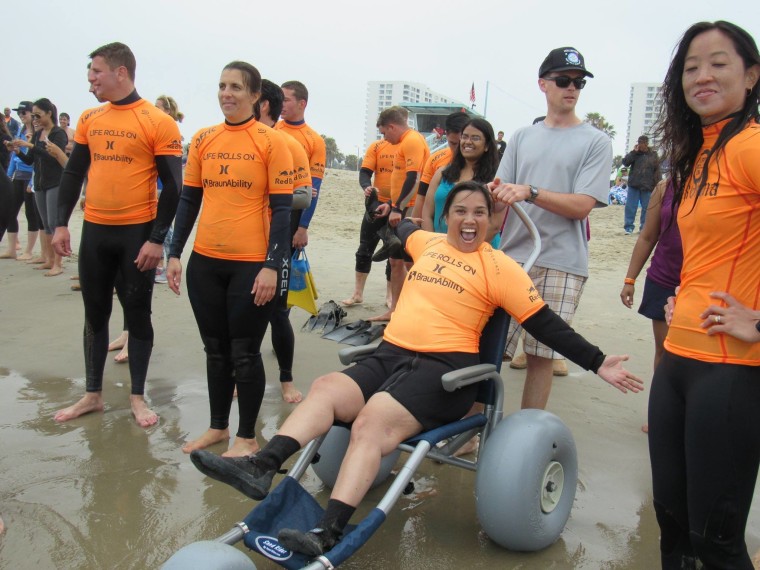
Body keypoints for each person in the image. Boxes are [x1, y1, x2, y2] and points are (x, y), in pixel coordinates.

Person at [189, 181, 643, 557]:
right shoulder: (426, 243)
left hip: (448, 371)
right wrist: (388, 212)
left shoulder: (501, 268)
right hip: (391, 355)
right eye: (460, 211)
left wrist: (599, 362)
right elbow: (403, 226)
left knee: (372, 420)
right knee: (327, 387)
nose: (469, 220)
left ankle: (327, 531)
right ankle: (262, 466)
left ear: (493, 221)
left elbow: (546, 325)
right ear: (447, 218)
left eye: (480, 213)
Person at [647, 20, 760, 568]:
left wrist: (759, 323)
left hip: (731, 371)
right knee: (670, 523)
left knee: (715, 542)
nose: (702, 76)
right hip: (676, 362)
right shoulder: (696, 156)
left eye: (719, 62)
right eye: (691, 67)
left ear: (753, 74)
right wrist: (682, 298)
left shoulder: (751, 146)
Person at [51, 42, 183, 427]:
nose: (90, 78)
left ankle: (138, 397)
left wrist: (157, 239)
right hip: (95, 231)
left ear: (120, 72)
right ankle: (92, 394)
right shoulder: (91, 118)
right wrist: (61, 223)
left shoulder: (157, 121)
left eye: (96, 71)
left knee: (137, 314)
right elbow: (74, 172)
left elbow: (174, 186)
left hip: (136, 233)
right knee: (95, 313)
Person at [166, 62, 293, 456]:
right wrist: (174, 252)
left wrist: (272, 265)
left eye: (236, 87)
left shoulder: (273, 143)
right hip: (205, 263)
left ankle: (247, 437)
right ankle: (218, 427)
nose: (227, 93)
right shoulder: (204, 139)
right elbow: (188, 201)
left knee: (245, 352)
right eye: (222, 86)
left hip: (252, 265)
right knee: (215, 350)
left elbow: (283, 212)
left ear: (256, 96)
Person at [490, 47, 612, 410]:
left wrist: (531, 191)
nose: (571, 88)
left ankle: (527, 436)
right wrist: (489, 194)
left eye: (578, 82)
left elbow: (582, 206)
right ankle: (470, 432)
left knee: (542, 355)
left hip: (563, 260)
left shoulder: (596, 141)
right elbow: (500, 195)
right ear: (543, 84)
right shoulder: (522, 136)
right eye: (563, 80)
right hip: (511, 257)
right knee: (488, 347)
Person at [255, 79, 313, 404]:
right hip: (241, 243)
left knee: (278, 313)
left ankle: (286, 380)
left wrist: (264, 195)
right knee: (243, 314)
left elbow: (303, 196)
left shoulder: (288, 144)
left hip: (276, 242)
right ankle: (241, 375)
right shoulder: (236, 142)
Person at [271, 80, 325, 396]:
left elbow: (313, 189)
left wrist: (303, 227)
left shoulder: (312, 140)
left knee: (283, 289)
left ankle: (280, 335)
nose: (282, 104)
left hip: (293, 218)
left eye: (287, 99)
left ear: (302, 103)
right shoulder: (270, 130)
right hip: (269, 215)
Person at [619, 179, 682, 433]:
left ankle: (691, 414)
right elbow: (647, 235)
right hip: (665, 277)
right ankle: (663, 415)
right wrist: (630, 279)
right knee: (665, 351)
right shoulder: (665, 187)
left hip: (707, 282)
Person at [368, 106, 429, 322]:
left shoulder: (412, 140)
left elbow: (414, 178)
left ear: (392, 126)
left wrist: (398, 209)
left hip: (409, 209)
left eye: (384, 133)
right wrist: (390, 204)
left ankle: (413, 312)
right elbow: (402, 179)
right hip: (400, 206)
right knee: (395, 261)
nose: (384, 138)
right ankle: (394, 310)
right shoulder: (405, 142)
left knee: (410, 262)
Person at [421, 117, 500, 245]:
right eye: (464, 137)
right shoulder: (442, 173)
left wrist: (461, 252)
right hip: (438, 249)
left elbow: (494, 225)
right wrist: (432, 244)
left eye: (475, 138)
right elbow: (427, 213)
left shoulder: (495, 180)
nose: (467, 142)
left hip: (478, 251)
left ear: (486, 146)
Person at [12, 98, 68, 276]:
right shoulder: (38, 134)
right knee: (45, 223)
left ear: (49, 113)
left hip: (54, 182)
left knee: (55, 223)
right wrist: (19, 151)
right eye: (33, 115)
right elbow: (31, 160)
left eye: (38, 115)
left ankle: (58, 263)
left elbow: (53, 157)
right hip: (40, 184)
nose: (34, 118)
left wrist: (31, 146)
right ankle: (49, 260)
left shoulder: (58, 133)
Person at [340, 129, 396, 309]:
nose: (384, 133)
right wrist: (367, 186)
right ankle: (357, 294)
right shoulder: (377, 147)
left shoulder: (408, 146)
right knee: (364, 250)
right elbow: (365, 172)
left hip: (397, 207)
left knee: (393, 252)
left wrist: (395, 204)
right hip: (375, 206)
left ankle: (390, 295)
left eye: (386, 129)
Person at [411, 111, 469, 218]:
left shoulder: (478, 162)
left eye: (461, 143)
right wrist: (413, 228)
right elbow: (421, 197)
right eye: (453, 143)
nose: (458, 149)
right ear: (446, 134)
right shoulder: (435, 159)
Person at [4, 102, 41, 261]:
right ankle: (11, 249)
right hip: (18, 175)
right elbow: (15, 155)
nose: (21, 115)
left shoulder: (36, 131)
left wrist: (32, 183)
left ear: (31, 113)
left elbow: (35, 159)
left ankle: (28, 251)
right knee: (10, 212)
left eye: (23, 112)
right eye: (19, 113)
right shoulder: (20, 129)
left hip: (30, 176)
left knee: (30, 214)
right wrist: (8, 175)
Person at [622, 135, 661, 235]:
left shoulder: (653, 155)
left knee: (646, 208)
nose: (641, 145)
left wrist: (658, 184)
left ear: (647, 144)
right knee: (631, 207)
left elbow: (657, 171)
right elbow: (625, 163)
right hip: (634, 184)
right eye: (639, 143)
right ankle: (629, 227)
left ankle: (643, 227)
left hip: (647, 185)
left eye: (643, 143)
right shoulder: (634, 154)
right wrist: (634, 152)